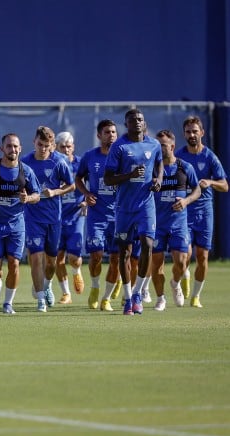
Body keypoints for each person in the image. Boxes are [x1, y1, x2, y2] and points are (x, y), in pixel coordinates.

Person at [103, 108, 163, 315]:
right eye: (132, 120)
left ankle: (138, 293)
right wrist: (129, 175)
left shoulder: (154, 144)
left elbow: (159, 163)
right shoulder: (119, 147)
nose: (137, 122)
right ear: (126, 124)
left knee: (147, 245)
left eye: (140, 119)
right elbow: (108, 179)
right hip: (124, 208)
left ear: (144, 123)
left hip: (146, 205)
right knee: (124, 252)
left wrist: (159, 179)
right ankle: (128, 298)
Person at [0, 133, 40, 314]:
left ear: (20, 149)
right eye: (9, 146)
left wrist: (27, 198)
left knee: (14, 263)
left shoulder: (26, 171)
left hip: (16, 226)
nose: (12, 149)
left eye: (15, 146)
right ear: (2, 149)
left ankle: (8, 303)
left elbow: (37, 195)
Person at [175, 116, 228, 307]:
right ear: (184, 134)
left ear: (202, 133)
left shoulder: (210, 157)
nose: (191, 135)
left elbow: (224, 185)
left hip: (205, 212)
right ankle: (182, 276)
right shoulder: (179, 157)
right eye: (188, 132)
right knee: (184, 254)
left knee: (203, 256)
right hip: (185, 211)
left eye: (195, 131)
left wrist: (211, 182)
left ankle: (196, 296)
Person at [22, 126, 75, 312]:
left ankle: (46, 285)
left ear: (52, 145)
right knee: (36, 258)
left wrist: (55, 191)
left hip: (53, 218)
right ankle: (40, 300)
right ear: (34, 143)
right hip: (32, 217)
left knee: (51, 263)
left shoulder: (59, 162)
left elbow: (71, 185)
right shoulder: (25, 162)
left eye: (46, 145)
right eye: (39, 144)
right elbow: (17, 182)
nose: (42, 148)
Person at [151, 129, 200, 311]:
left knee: (181, 261)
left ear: (172, 146)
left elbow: (197, 190)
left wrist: (186, 200)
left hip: (178, 224)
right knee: (156, 264)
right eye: (157, 145)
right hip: (157, 224)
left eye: (162, 145)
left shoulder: (184, 167)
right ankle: (160, 298)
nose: (159, 148)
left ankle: (175, 282)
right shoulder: (152, 169)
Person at [75, 119, 121, 311]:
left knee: (116, 258)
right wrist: (86, 194)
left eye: (113, 132)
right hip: (97, 216)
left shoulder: (123, 157)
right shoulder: (90, 157)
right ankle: (94, 288)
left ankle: (106, 298)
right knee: (96, 255)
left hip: (119, 216)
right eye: (107, 132)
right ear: (99, 136)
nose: (111, 135)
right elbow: (78, 178)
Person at [54, 131, 86, 304]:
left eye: (68, 146)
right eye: (62, 147)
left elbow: (93, 184)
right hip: (57, 216)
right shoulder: (53, 164)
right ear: (56, 147)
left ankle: (76, 272)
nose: (66, 149)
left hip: (76, 215)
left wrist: (87, 200)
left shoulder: (81, 163)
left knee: (74, 257)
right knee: (57, 257)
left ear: (73, 146)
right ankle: (66, 293)